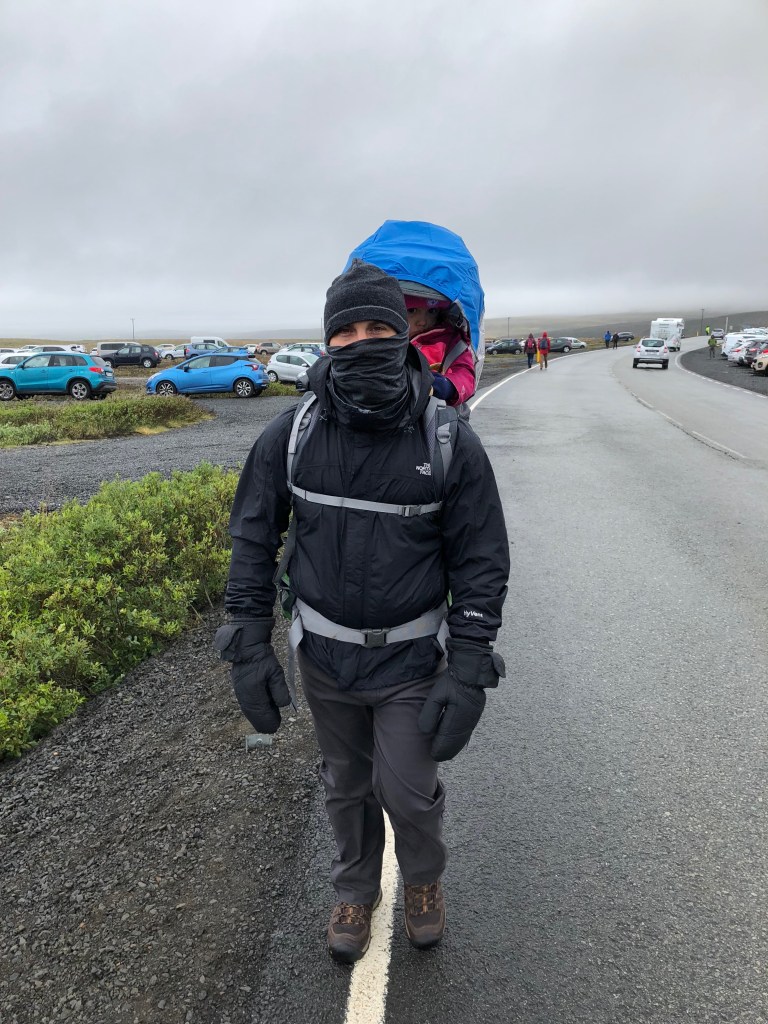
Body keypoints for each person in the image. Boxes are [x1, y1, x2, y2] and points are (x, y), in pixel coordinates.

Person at [215, 260, 509, 964]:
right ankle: (356, 887)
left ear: (405, 333)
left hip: (410, 659)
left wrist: (468, 665)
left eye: (377, 325)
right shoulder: (291, 435)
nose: (360, 340)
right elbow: (254, 536)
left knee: (407, 793)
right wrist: (247, 640)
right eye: (343, 331)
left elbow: (480, 559)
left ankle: (425, 881)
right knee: (345, 786)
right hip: (324, 658)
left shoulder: (447, 441)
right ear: (326, 343)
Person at [401, 288, 476, 406]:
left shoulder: (450, 342)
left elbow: (465, 374)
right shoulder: (385, 339)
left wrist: (448, 386)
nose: (423, 321)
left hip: (434, 414)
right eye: (412, 310)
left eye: (432, 311)